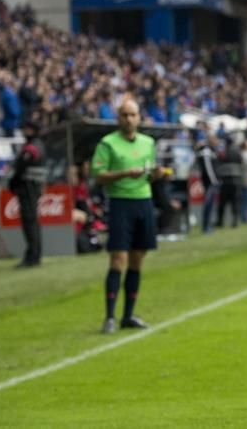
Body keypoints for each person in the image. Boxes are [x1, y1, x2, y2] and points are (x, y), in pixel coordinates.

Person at [91, 98, 169, 334]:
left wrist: (155, 174)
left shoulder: (148, 143)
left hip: (143, 202)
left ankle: (128, 315)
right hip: (120, 203)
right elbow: (99, 176)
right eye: (125, 115)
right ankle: (109, 317)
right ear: (118, 118)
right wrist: (125, 173)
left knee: (138, 259)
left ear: (139, 117)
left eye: (133, 114)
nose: (129, 119)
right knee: (118, 260)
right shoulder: (107, 143)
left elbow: (149, 175)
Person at [9, 120, 44, 268]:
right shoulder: (36, 145)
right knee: (31, 222)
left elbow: (21, 165)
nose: (25, 131)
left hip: (29, 187)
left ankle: (32, 256)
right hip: (31, 187)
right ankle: (33, 255)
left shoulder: (33, 146)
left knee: (30, 222)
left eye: (27, 129)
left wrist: (14, 180)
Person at [215, 136, 242, 228]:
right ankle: (235, 221)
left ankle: (220, 222)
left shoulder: (223, 152)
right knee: (235, 202)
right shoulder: (237, 152)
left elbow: (218, 161)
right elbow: (241, 162)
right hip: (236, 179)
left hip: (225, 180)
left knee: (222, 203)